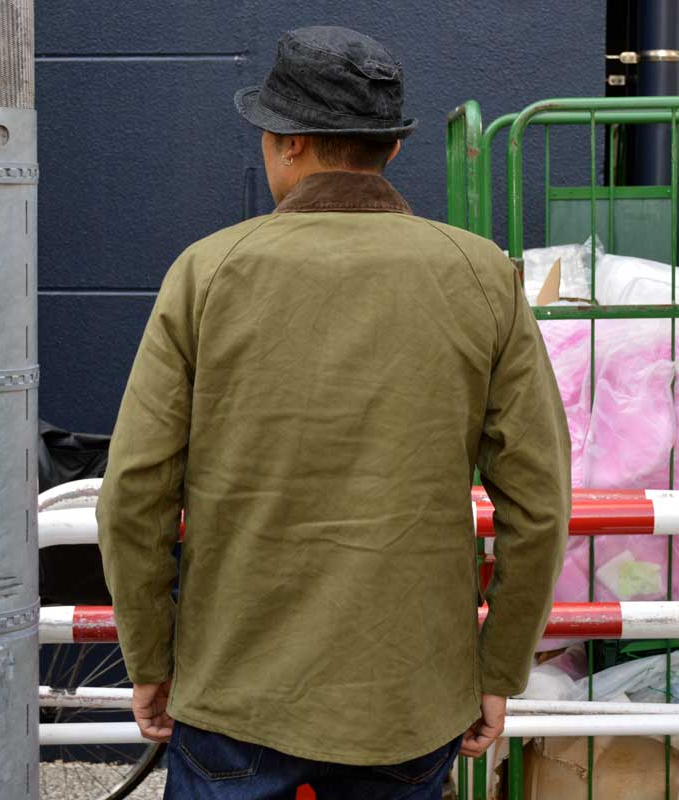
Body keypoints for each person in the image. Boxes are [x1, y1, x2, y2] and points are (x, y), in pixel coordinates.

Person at [97, 24, 570, 800]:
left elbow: (134, 492)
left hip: (235, 692)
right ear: (391, 147)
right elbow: (540, 501)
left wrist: (150, 658)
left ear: (289, 143)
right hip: (411, 697)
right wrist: (498, 668)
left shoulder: (207, 272)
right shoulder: (481, 275)